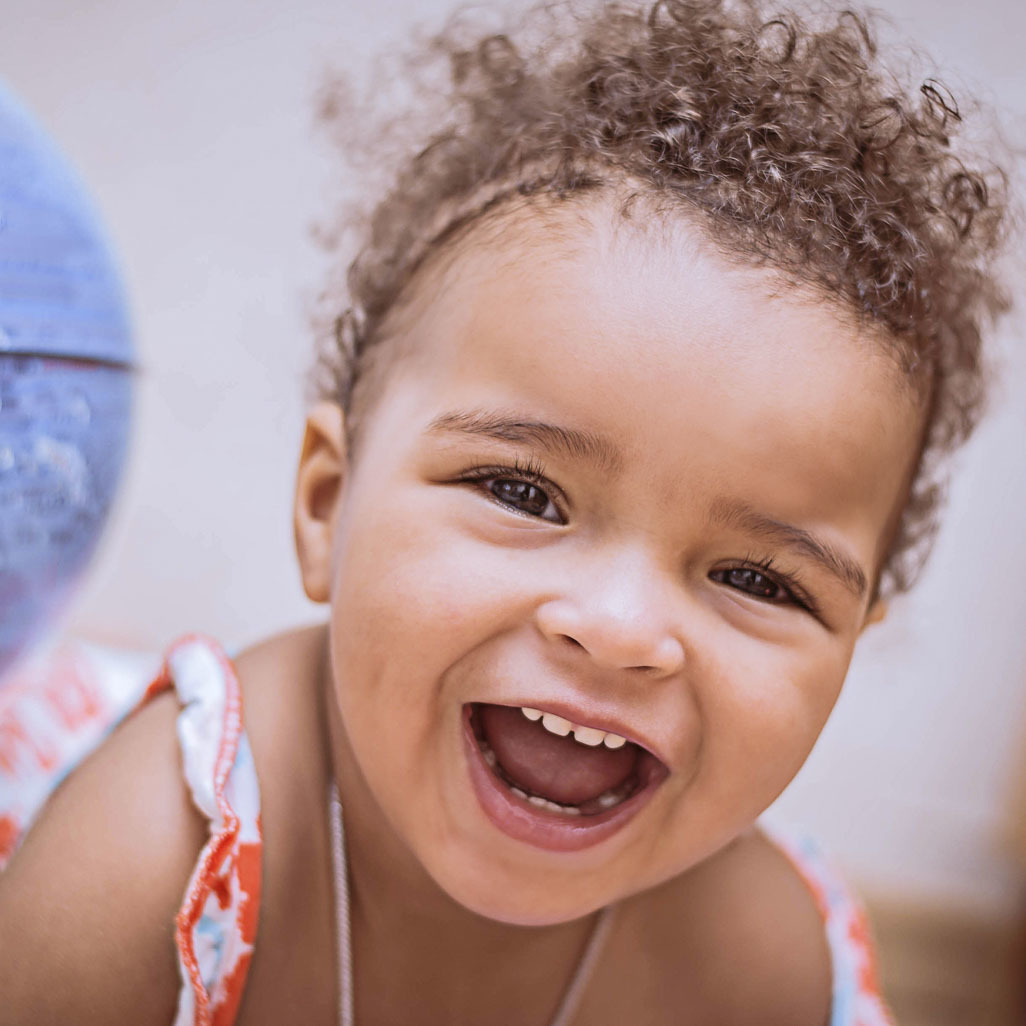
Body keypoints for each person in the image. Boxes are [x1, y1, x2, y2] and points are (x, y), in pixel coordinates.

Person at [0, 0, 1011, 1023]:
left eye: (758, 580)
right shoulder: (144, 867)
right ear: (327, 504)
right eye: (524, 493)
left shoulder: (752, 964)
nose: (619, 632)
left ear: (852, 639)